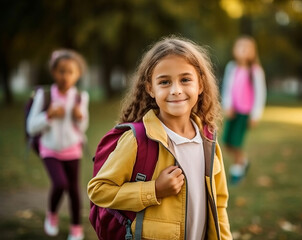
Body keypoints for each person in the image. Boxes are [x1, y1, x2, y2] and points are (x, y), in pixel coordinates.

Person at [87, 36, 232, 240]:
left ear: (200, 84)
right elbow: (98, 190)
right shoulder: (137, 140)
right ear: (150, 88)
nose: (176, 90)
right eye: (164, 82)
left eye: (185, 79)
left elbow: (219, 205)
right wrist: (153, 189)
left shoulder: (208, 140)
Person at [26, 49, 89, 240]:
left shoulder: (80, 97)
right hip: (49, 149)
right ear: (54, 72)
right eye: (61, 71)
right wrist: (48, 116)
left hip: (73, 149)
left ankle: (76, 228)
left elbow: (83, 126)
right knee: (60, 183)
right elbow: (31, 127)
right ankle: (52, 215)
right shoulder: (43, 95)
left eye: (71, 72)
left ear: (78, 75)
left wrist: (79, 117)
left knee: (74, 191)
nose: (66, 76)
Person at [221, 36, 266, 185]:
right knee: (227, 142)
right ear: (234, 50)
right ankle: (244, 162)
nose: (243, 50)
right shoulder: (231, 68)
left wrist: (255, 115)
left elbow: (260, 94)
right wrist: (227, 106)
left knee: (236, 143)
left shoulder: (255, 71)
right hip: (233, 112)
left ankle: (237, 170)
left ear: (253, 52)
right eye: (240, 47)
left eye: (247, 48)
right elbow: (227, 88)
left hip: (245, 114)